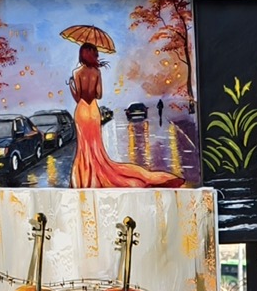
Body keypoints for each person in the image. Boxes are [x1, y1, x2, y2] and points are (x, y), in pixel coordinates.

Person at [68, 41, 183, 189]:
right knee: (95, 146)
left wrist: (72, 86)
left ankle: (84, 177)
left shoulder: (76, 73)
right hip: (93, 111)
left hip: (82, 111)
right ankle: (96, 172)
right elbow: (99, 94)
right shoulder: (97, 72)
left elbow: (78, 97)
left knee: (84, 145)